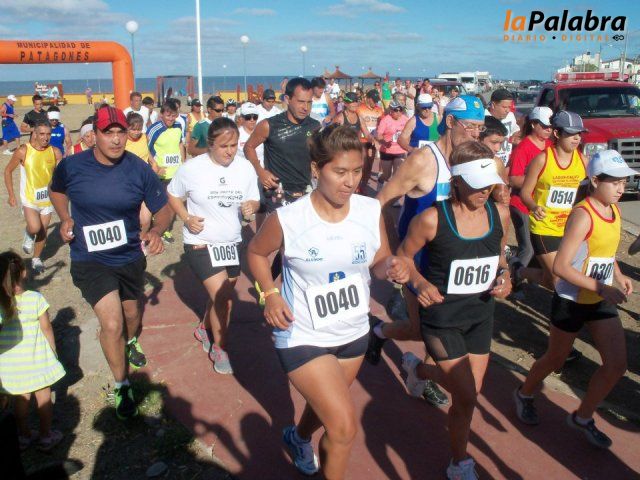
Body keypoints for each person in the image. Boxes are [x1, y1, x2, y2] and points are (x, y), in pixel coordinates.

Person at [247, 125, 410, 478]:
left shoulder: (369, 210)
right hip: (302, 334)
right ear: (316, 169)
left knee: (324, 410)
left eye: (357, 171)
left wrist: (392, 267)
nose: (350, 182)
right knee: (343, 427)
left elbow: (379, 260)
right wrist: (270, 294)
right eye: (340, 172)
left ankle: (298, 437)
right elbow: (257, 253)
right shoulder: (289, 218)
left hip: (353, 332)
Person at [49, 106, 173, 420]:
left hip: (129, 256)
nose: (116, 139)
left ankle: (130, 341)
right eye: (108, 133)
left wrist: (157, 230)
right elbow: (56, 190)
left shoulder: (138, 168)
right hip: (90, 259)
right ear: (95, 135)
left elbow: (164, 208)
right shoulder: (72, 166)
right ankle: (122, 385)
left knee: (131, 316)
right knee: (112, 323)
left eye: (120, 132)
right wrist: (64, 217)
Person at [399, 141, 511, 480]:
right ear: (457, 181)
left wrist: (505, 278)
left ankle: (418, 371)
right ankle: (460, 463)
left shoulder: (499, 214)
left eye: (489, 182)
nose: (485, 190)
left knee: (466, 398)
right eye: (477, 184)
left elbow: (500, 258)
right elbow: (402, 258)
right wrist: (419, 283)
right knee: (467, 393)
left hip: (480, 316)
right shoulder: (431, 219)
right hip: (442, 318)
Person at [367, 96, 486, 407]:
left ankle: (420, 372)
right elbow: (379, 203)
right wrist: (388, 254)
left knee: (442, 329)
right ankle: (381, 333)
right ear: (450, 122)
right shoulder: (423, 160)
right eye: (470, 127)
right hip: (419, 262)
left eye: (480, 128)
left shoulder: (473, 160)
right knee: (421, 329)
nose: (476, 134)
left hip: (454, 263)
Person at [514, 150, 634, 449]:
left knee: (617, 364)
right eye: (615, 182)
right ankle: (524, 393)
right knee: (555, 359)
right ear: (595, 181)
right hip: (572, 300)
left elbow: (604, 252)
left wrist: (619, 275)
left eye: (624, 182)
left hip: (599, 298)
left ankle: (583, 416)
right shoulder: (583, 214)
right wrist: (602, 286)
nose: (621, 188)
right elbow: (561, 267)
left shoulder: (614, 210)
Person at [168, 118, 260, 374]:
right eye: (223, 146)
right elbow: (173, 194)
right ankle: (220, 348)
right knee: (224, 298)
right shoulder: (192, 169)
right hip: (200, 243)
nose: (230, 151)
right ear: (210, 144)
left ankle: (203, 327)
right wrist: (186, 217)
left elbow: (254, 198)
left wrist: (252, 206)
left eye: (234, 145)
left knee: (222, 293)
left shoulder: (244, 168)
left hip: (231, 243)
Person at [244, 78, 321, 293]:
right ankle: (277, 290)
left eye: (309, 102)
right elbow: (249, 147)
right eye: (301, 101)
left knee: (296, 243)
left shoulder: (315, 126)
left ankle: (267, 280)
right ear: (287, 99)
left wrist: (318, 168)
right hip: (277, 192)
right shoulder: (269, 125)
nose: (305, 107)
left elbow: (318, 155)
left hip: (305, 191)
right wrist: (260, 171)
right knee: (287, 242)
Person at [0, 251, 65, 451]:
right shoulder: (35, 299)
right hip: (37, 358)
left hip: (11, 363)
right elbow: (46, 327)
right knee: (44, 396)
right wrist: (52, 350)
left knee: (20, 400)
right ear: (24, 272)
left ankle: (24, 435)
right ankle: (46, 436)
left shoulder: (2, 304)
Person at [519, 110, 587, 290]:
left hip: (571, 228)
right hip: (545, 227)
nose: (577, 138)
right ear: (557, 133)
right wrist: (534, 207)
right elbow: (525, 192)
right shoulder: (542, 159)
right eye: (571, 133)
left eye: (579, 134)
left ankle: (520, 271)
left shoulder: (583, 161)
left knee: (554, 280)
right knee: (559, 280)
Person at [3, 121, 62, 274]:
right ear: (34, 134)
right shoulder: (24, 151)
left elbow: (60, 176)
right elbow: (8, 171)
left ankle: (36, 258)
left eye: (48, 134)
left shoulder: (55, 152)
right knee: (35, 227)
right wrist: (11, 194)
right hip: (29, 198)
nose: (45, 137)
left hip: (47, 199)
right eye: (42, 134)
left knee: (42, 231)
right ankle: (29, 234)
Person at [508, 107, 554, 273]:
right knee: (528, 249)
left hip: (541, 205)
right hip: (522, 205)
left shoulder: (551, 146)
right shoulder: (523, 148)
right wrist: (537, 180)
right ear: (534, 124)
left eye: (551, 126)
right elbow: (513, 179)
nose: (549, 129)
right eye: (545, 126)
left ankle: (528, 277)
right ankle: (512, 278)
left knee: (540, 247)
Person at [147, 100, 186, 243]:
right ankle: (158, 228)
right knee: (162, 204)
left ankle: (166, 229)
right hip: (161, 174)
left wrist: (183, 163)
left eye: (174, 115)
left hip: (176, 172)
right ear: (162, 114)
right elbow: (145, 148)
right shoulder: (154, 129)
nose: (171, 119)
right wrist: (155, 166)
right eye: (168, 115)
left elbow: (180, 144)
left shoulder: (178, 125)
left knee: (174, 202)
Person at [376, 100, 408, 190]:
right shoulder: (385, 120)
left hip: (400, 150)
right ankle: (381, 179)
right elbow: (378, 135)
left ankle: (392, 195)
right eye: (395, 110)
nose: (398, 112)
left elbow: (411, 131)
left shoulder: (405, 119)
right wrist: (385, 143)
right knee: (387, 175)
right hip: (387, 151)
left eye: (400, 110)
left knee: (397, 175)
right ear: (391, 110)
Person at [485, 88, 520, 168]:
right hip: (489, 164)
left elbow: (515, 131)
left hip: (506, 164)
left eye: (509, 107)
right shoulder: (483, 118)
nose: (507, 110)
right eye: (504, 107)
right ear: (493, 105)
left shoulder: (510, 116)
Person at [357, 89, 383, 192]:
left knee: (369, 164)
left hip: (373, 141)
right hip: (361, 140)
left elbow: (382, 124)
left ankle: (363, 186)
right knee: (362, 163)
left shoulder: (379, 110)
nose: (375, 102)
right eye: (374, 100)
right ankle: (357, 185)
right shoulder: (359, 108)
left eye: (377, 100)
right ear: (368, 99)